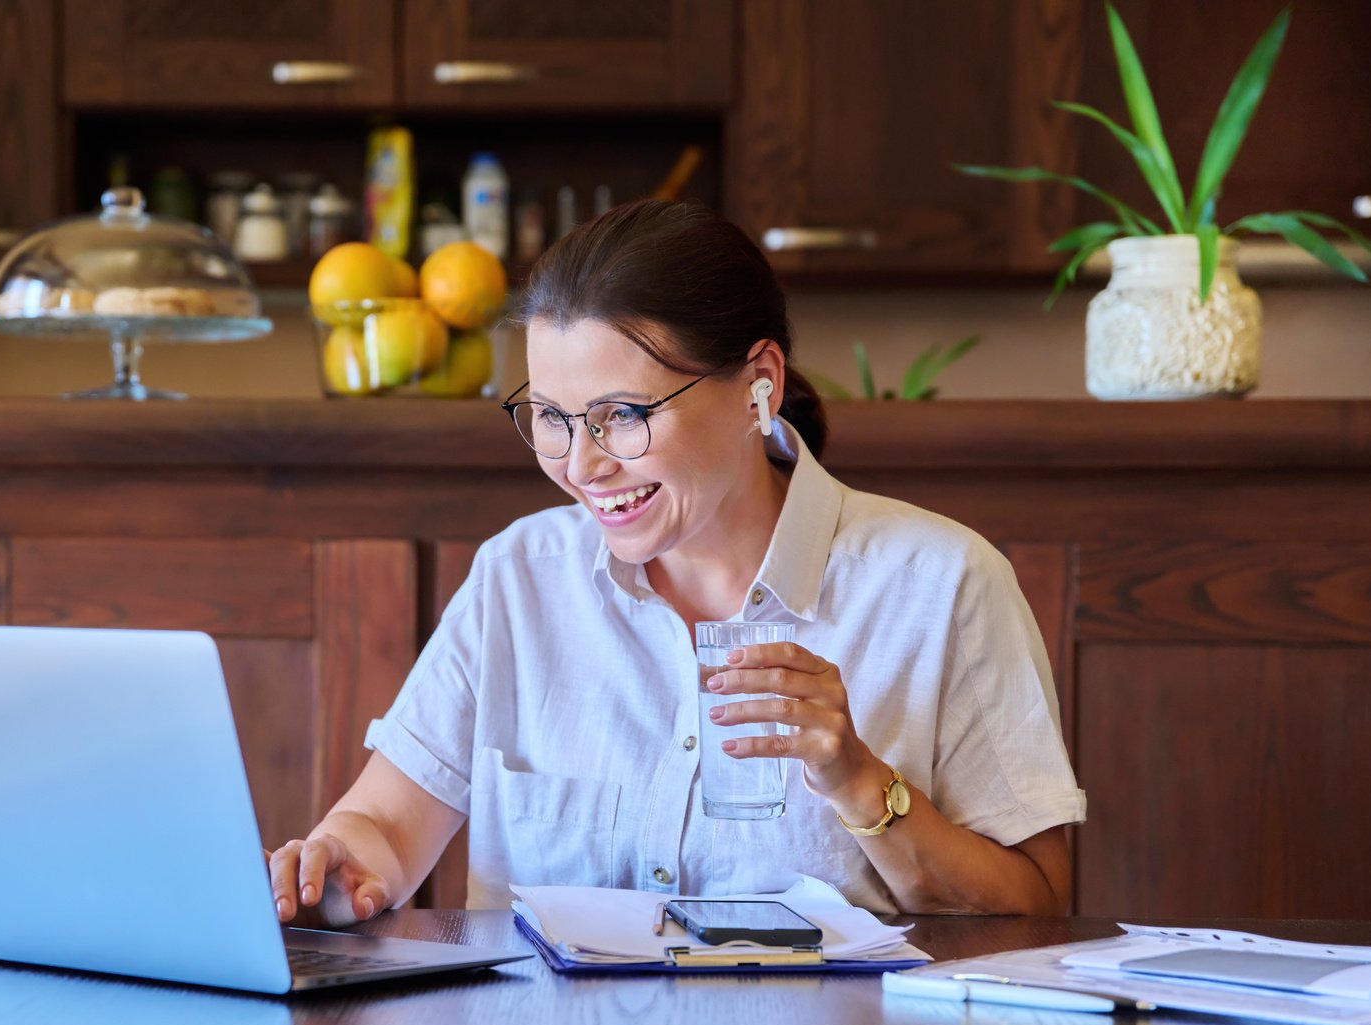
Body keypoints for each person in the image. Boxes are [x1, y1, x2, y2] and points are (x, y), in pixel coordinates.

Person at [268, 199, 1084, 925]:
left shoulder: (942, 587)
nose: (581, 466)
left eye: (621, 415)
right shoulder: (518, 577)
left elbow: (1036, 908)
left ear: (757, 385)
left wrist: (860, 780)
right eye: (551, 417)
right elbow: (382, 826)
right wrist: (336, 866)